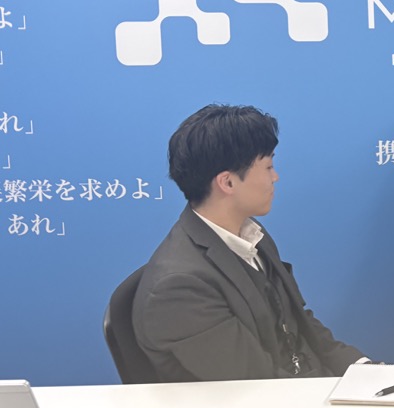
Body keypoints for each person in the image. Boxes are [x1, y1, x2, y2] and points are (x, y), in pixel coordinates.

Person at [133, 104, 369, 381]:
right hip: (272, 399)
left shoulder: (252, 234)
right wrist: (339, 395)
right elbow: (256, 383)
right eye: (268, 167)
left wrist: (362, 369)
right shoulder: (178, 288)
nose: (275, 177)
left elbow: (298, 320)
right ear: (228, 183)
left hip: (307, 383)